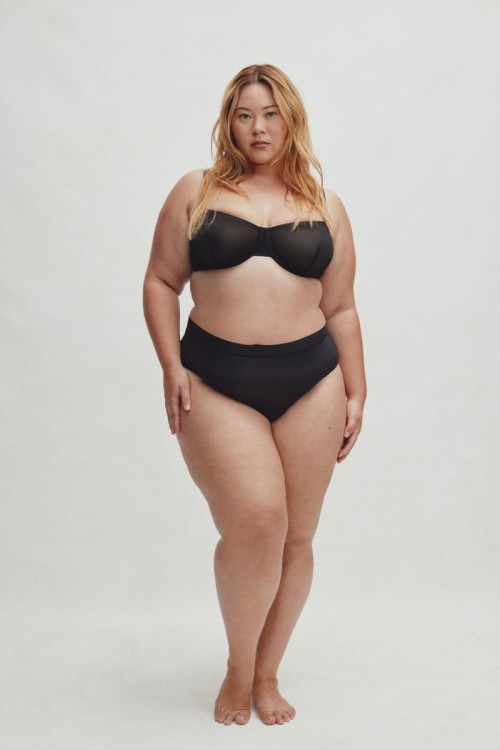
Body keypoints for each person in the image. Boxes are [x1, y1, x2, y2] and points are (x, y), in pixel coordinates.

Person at [143, 63, 367, 727]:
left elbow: (342, 307)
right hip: (216, 380)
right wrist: (170, 365)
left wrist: (357, 390)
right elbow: (160, 282)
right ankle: (238, 666)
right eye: (244, 115)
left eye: (270, 114)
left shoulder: (325, 205)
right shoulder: (197, 190)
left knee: (297, 536)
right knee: (258, 521)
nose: (258, 128)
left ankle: (268, 672)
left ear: (291, 119)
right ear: (228, 122)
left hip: (313, 381)